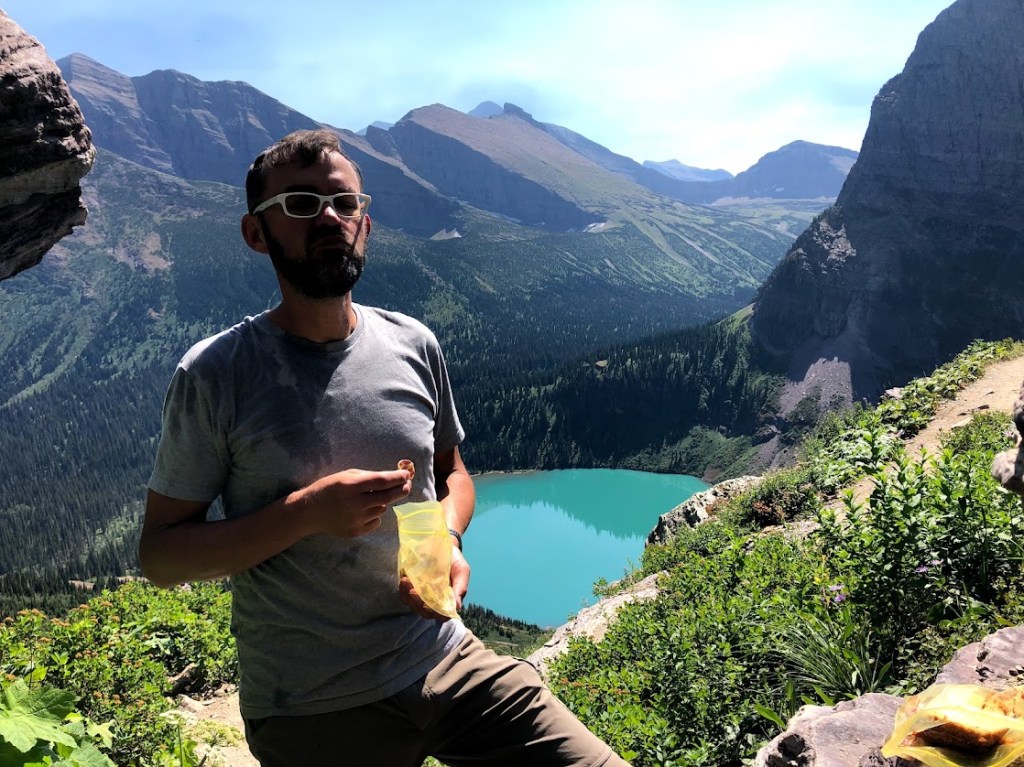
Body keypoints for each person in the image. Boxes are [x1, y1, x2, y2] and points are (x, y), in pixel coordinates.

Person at [139, 128, 630, 766]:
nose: (328, 219)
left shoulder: (414, 344)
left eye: (344, 204)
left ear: (365, 223)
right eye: (299, 205)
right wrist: (306, 512)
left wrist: (449, 539)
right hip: (314, 703)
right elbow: (161, 555)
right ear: (255, 234)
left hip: (449, 658)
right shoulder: (215, 374)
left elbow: (453, 473)